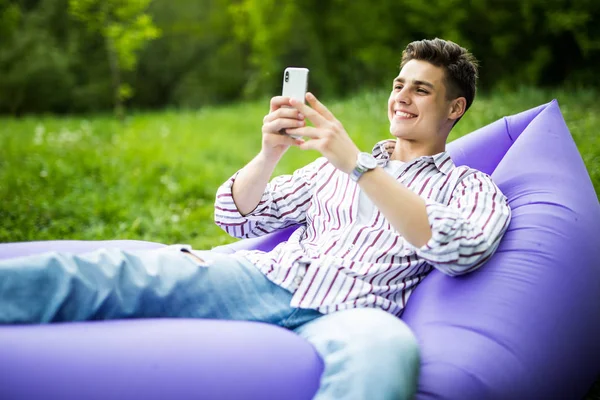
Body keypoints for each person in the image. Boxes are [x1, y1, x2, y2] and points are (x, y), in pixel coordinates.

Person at [0, 38, 511, 400]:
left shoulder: (469, 187)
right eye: (399, 84)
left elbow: (459, 250)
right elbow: (235, 216)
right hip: (266, 281)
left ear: (455, 108)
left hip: (360, 311)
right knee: (120, 272)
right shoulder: (329, 169)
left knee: (390, 356)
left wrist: (359, 165)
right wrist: (268, 153)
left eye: (421, 89)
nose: (401, 96)